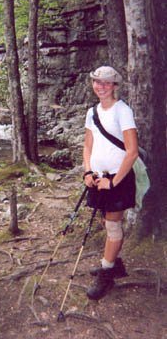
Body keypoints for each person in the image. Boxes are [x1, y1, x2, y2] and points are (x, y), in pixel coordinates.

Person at [83, 65, 138, 300]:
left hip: (118, 179)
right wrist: (87, 172)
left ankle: (106, 274)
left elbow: (132, 152)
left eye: (106, 82)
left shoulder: (122, 111)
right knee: (107, 221)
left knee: (113, 226)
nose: (101, 86)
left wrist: (113, 182)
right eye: (97, 81)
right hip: (97, 178)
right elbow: (88, 145)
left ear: (115, 86)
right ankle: (114, 263)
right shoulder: (92, 112)